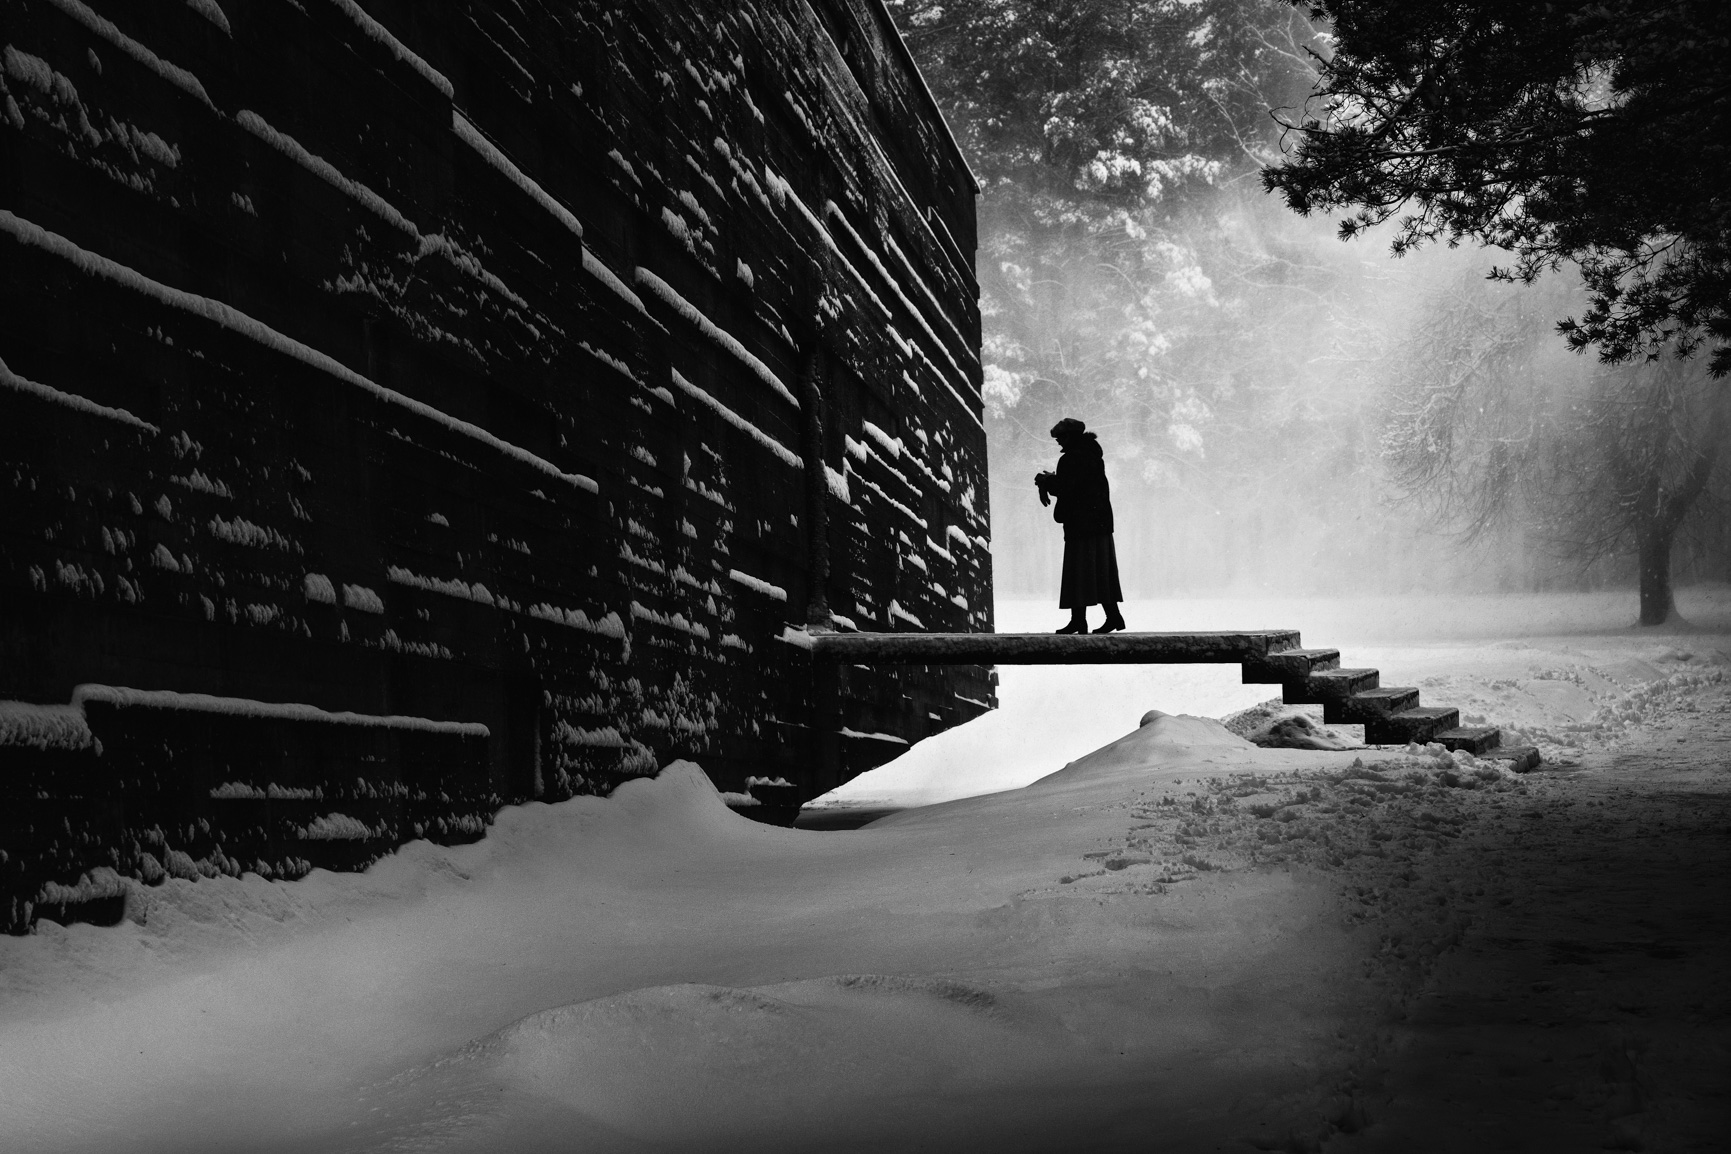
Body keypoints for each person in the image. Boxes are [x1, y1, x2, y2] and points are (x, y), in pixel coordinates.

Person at [1034, 418, 1126, 634]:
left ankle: (1080, 621)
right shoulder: (1092, 456)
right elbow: (1079, 485)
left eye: (1061, 438)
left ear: (1071, 437)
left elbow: (1067, 488)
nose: (1058, 443)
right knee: (1100, 571)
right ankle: (1112, 617)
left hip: (1081, 525)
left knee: (1078, 571)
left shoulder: (1072, 459)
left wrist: (1046, 481)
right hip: (1099, 523)